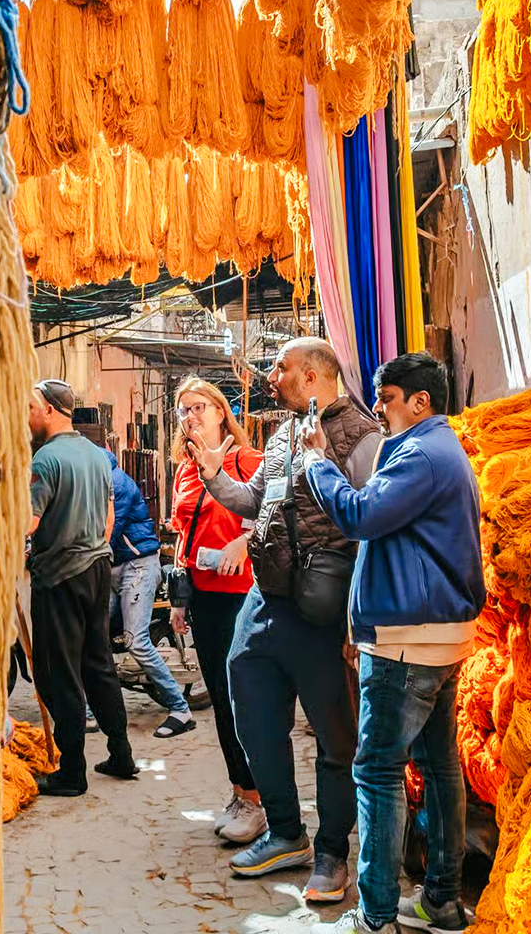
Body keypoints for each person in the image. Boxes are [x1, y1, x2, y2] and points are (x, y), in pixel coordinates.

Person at [188, 338, 383, 903]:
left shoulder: (362, 436)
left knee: (333, 737)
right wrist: (212, 475)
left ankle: (330, 854)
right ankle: (285, 832)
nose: (270, 377)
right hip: (265, 599)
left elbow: (374, 527)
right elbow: (254, 502)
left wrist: (356, 622)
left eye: (281, 368)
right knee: (247, 706)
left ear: (315, 377)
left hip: (323, 608)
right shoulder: (280, 435)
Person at [302, 353, 485, 934]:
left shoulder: (423, 455)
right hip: (435, 636)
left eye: (387, 399)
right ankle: (442, 903)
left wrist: (318, 462)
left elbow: (360, 515)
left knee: (377, 772)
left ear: (419, 401)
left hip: (409, 642)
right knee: (438, 766)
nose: (380, 410)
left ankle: (376, 915)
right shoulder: (434, 448)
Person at [167, 377, 266, 845]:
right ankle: (240, 791)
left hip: (241, 596)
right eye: (184, 409)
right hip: (202, 596)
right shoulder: (185, 470)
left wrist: (243, 542)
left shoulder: (247, 461)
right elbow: (181, 536)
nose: (191, 415)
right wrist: (179, 601)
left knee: (242, 698)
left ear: (222, 412)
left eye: (200, 406)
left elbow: (272, 516)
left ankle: (259, 799)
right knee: (221, 703)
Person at [28, 378, 137, 797]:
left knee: (59, 674)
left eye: (32, 407)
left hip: (60, 576)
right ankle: (121, 752)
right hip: (97, 568)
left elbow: (27, 522)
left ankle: (71, 771)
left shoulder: (45, 460)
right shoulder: (96, 454)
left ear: (51, 410)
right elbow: (109, 515)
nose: (29, 416)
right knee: (98, 664)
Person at [104, 446, 194, 738]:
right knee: (89, 632)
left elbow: (107, 533)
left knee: (136, 640)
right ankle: (92, 710)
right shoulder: (95, 478)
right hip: (113, 567)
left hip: (138, 566)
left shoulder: (114, 482)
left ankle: (180, 709)